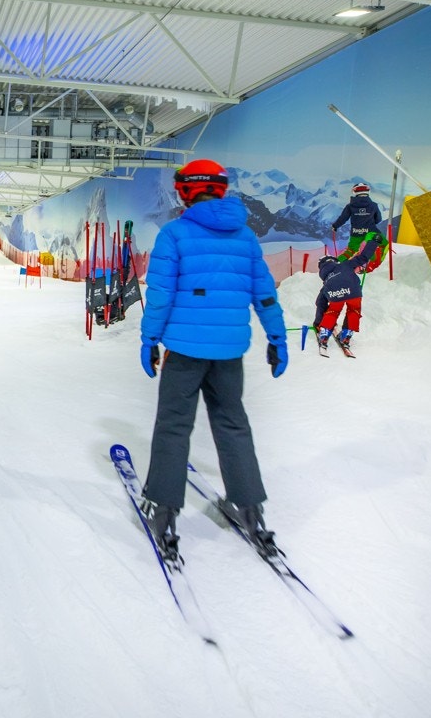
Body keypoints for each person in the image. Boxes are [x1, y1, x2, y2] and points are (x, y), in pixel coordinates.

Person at [138, 158, 289, 562]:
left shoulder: (174, 235)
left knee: (173, 426)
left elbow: (160, 296)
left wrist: (149, 338)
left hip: (184, 354)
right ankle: (250, 512)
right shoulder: (246, 238)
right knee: (232, 425)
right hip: (229, 355)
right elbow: (265, 294)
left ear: (186, 191)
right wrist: (277, 338)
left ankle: (163, 511)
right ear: (220, 189)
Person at [313, 238, 380, 352]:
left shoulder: (327, 280)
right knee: (354, 311)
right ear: (334, 261)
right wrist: (374, 242)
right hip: (354, 291)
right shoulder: (346, 264)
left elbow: (320, 302)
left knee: (333, 311)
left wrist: (318, 323)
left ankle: (324, 335)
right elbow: (363, 256)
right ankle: (346, 336)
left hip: (334, 292)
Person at [332, 182, 387, 272]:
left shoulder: (350, 206)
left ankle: (336, 264)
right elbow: (378, 220)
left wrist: (335, 226)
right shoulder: (373, 205)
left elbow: (342, 218)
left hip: (356, 233)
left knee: (350, 250)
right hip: (371, 232)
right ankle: (371, 265)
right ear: (368, 191)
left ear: (354, 192)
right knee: (380, 245)